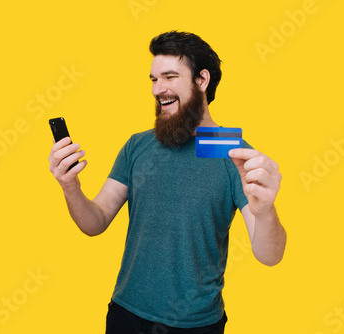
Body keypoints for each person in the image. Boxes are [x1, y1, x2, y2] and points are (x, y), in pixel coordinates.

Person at [48, 31, 286, 334]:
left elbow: (270, 256)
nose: (157, 89)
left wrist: (266, 211)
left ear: (202, 80)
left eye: (169, 77)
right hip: (125, 314)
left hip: (195, 324)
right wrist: (70, 186)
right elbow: (95, 222)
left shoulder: (236, 155)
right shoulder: (137, 145)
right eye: (153, 79)